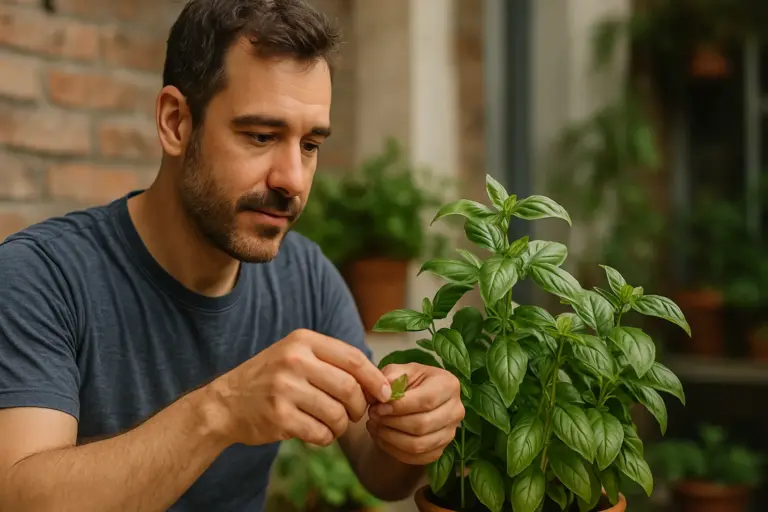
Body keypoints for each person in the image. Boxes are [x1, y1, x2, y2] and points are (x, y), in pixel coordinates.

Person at [0, 0, 464, 510]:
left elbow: (381, 475)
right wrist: (220, 411)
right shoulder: (40, 277)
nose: (291, 178)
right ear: (176, 122)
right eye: (261, 136)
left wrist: (415, 430)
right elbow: (22, 497)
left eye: (309, 144)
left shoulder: (305, 275)